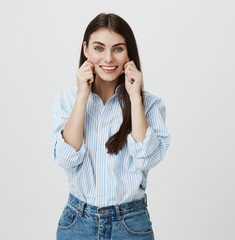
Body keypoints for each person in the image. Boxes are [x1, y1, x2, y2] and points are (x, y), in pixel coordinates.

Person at [52, 13, 171, 240]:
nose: (108, 58)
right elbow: (66, 159)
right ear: (85, 50)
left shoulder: (151, 104)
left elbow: (146, 158)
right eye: (99, 48)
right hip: (78, 222)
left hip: (130, 224)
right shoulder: (66, 100)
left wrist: (135, 98)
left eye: (118, 49)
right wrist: (82, 96)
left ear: (129, 53)